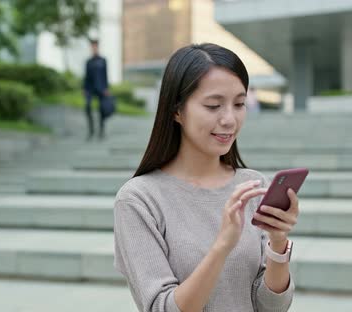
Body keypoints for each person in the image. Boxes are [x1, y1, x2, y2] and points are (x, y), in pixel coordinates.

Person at [113, 43, 298, 312]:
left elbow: (270, 307)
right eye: (213, 106)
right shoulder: (138, 200)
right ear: (177, 111)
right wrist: (222, 246)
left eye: (239, 104)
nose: (230, 119)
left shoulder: (253, 186)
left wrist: (278, 242)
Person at [83, 39, 109, 140]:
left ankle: (101, 131)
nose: (94, 48)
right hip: (90, 88)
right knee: (87, 107)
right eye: (92, 47)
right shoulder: (88, 62)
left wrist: (106, 88)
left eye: (95, 46)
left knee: (101, 109)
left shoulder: (103, 61)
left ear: (97, 47)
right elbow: (86, 76)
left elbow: (105, 75)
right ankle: (91, 130)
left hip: (101, 88)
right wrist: (84, 88)